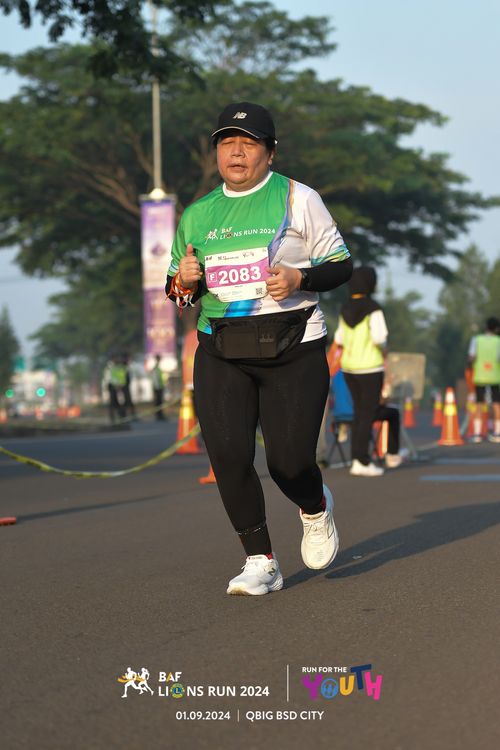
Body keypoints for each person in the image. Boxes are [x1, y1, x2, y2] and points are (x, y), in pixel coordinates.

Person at [165, 101, 352, 596]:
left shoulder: (299, 199)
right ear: (216, 153)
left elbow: (341, 266)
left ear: (270, 152)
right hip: (221, 348)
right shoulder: (198, 214)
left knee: (288, 463)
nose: (236, 152)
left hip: (293, 346)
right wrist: (185, 281)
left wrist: (299, 277)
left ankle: (314, 506)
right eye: (227, 143)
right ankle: (260, 560)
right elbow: (177, 293)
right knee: (228, 455)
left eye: (248, 144)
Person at [334, 266, 401, 477]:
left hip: (349, 368)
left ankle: (358, 459)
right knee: (367, 413)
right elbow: (380, 338)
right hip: (370, 367)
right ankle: (361, 460)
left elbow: (339, 339)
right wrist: (385, 350)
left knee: (360, 413)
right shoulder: (373, 308)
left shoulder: (344, 308)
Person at [467, 316, 500, 443]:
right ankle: (498, 433)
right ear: (496, 329)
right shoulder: (498, 341)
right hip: (495, 377)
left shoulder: (477, 340)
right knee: (496, 405)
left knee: (479, 404)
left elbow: (471, 357)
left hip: (480, 376)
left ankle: (477, 434)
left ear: (486, 327)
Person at [151, 354, 165, 420]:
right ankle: (159, 415)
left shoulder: (158, 368)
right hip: (158, 388)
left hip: (159, 387)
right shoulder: (156, 368)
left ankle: (160, 415)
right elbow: (155, 379)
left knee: (159, 402)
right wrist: (157, 387)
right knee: (158, 402)